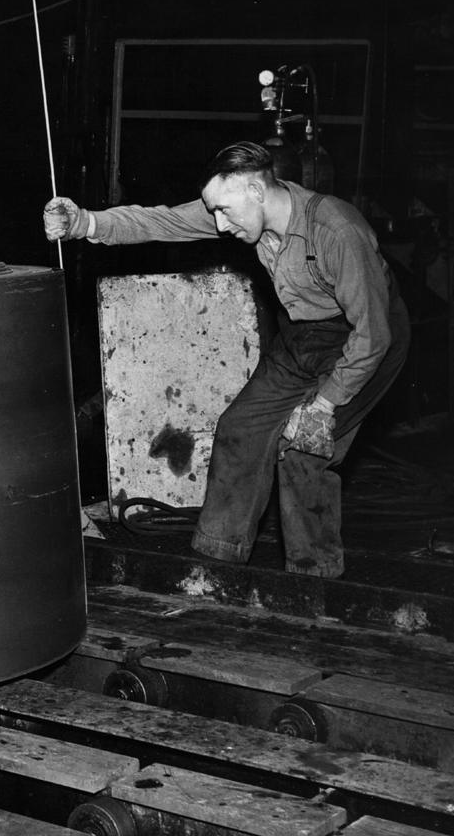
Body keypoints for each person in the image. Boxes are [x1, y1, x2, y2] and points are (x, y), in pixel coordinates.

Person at [43, 141, 410, 578]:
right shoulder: (235, 208)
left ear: (257, 191)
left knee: (303, 450)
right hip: (303, 337)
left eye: (225, 211)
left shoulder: (337, 231)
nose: (220, 223)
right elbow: (161, 219)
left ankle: (314, 578)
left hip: (364, 340)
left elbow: (373, 334)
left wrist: (326, 405)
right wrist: (83, 222)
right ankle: (216, 564)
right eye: (214, 211)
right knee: (241, 430)